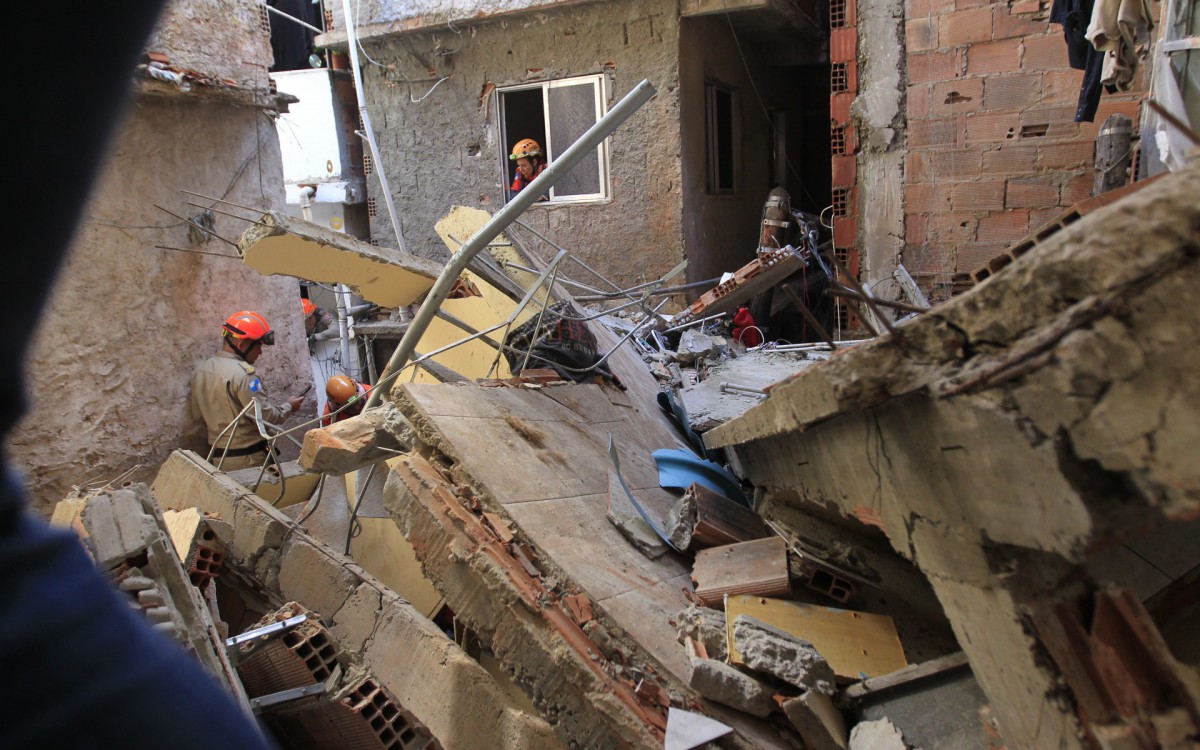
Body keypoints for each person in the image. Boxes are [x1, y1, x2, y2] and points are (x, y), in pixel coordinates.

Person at [190, 310, 304, 470]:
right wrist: (290, 406)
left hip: (219, 460)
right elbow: (266, 417)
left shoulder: (202, 370)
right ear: (241, 344)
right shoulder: (244, 375)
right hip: (249, 461)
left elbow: (197, 414)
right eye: (257, 345)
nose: (260, 351)